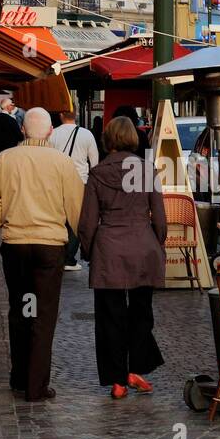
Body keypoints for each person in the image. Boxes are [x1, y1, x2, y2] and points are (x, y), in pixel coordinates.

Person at [0, 107, 84, 402]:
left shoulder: (6, 159)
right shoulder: (62, 163)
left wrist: (4, 220)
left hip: (16, 246)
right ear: (51, 131)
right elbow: (76, 208)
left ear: (23, 130)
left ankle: (18, 376)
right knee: (43, 315)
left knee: (21, 309)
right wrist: (83, 240)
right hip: (49, 248)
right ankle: (35, 385)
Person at [77, 114, 167, 400]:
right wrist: (157, 243)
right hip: (143, 248)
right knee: (141, 314)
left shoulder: (98, 173)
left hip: (110, 250)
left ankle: (117, 379)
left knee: (110, 318)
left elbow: (88, 221)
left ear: (108, 140)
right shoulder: (146, 170)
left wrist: (89, 251)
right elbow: (160, 218)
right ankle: (135, 368)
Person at [49, 110, 100, 270]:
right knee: (77, 220)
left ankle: (58, 254)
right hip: (80, 182)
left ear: (61, 116)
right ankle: (69, 258)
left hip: (57, 182)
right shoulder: (87, 134)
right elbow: (95, 161)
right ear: (76, 115)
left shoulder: (53, 134)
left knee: (59, 218)